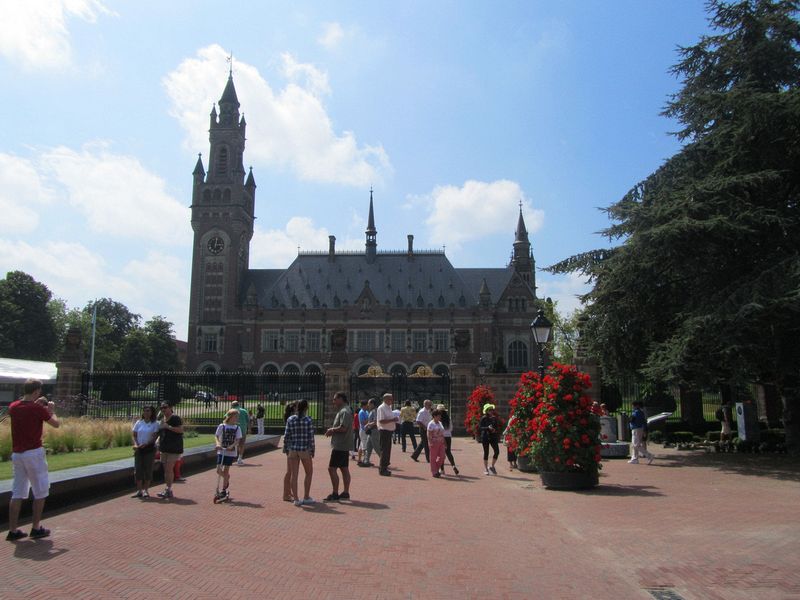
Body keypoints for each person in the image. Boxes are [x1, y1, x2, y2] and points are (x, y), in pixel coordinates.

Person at [6, 379, 60, 541]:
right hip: (34, 453)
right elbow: (55, 424)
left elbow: (25, 409)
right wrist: (51, 410)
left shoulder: (13, 407)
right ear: (36, 391)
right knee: (40, 490)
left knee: (17, 492)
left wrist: (35, 403)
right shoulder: (38, 409)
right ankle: (36, 527)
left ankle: (13, 530)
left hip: (18, 454)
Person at [284, 399, 316, 506]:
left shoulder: (290, 419)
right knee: (309, 472)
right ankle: (306, 496)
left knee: (294, 474)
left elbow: (286, 435)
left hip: (293, 449)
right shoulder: (308, 420)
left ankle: (296, 499)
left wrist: (286, 448)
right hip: (304, 449)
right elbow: (311, 437)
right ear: (306, 408)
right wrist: (312, 449)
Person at [324, 392, 353, 501]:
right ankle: (345, 492)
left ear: (341, 399)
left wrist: (332, 430)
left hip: (340, 445)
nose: (333, 401)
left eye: (335, 399)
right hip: (343, 444)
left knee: (331, 469)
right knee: (344, 469)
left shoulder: (344, 411)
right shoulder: (344, 410)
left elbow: (343, 428)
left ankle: (335, 493)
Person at [156, 403, 184, 499]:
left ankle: (169, 489)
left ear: (170, 408)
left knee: (168, 469)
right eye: (162, 408)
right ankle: (167, 489)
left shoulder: (175, 418)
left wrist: (168, 427)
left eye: (165, 407)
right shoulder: (161, 420)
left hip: (174, 448)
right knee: (166, 470)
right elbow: (160, 433)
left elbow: (180, 430)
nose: (163, 409)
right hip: (164, 447)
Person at [131, 405, 159, 498]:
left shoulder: (155, 423)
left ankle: (146, 490)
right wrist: (135, 444)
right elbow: (134, 435)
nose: (146, 413)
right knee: (138, 469)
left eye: (148, 411)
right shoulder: (139, 422)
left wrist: (146, 444)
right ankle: (139, 490)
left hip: (149, 449)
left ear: (152, 412)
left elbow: (154, 437)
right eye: (145, 411)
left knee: (148, 469)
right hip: (139, 449)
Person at [215, 409, 242, 501]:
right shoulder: (222, 426)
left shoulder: (237, 428)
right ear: (230, 416)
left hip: (230, 452)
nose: (236, 418)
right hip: (222, 451)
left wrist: (232, 446)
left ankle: (223, 490)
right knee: (218, 470)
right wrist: (218, 444)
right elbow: (217, 436)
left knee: (226, 470)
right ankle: (226, 477)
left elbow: (238, 440)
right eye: (235, 416)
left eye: (237, 417)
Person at [376, 393, 399, 476]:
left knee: (387, 450)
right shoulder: (381, 408)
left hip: (389, 431)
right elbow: (381, 420)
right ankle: (382, 469)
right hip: (384, 431)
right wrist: (393, 419)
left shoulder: (388, 408)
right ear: (385, 399)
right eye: (390, 399)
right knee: (384, 450)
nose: (392, 401)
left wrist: (394, 419)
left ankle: (385, 467)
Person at [628, 400, 654, 464]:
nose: (632, 407)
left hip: (637, 429)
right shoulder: (639, 412)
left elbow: (633, 420)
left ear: (637, 406)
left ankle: (649, 455)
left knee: (635, 445)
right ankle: (635, 459)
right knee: (635, 445)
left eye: (633, 405)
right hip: (637, 429)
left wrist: (631, 419)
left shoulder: (637, 412)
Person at [438, 404, 459, 475]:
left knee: (441, 453)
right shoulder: (448, 418)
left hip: (441, 437)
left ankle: (442, 469)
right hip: (448, 436)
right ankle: (453, 465)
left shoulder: (438, 419)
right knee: (448, 452)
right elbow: (451, 428)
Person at [479, 404, 500, 475]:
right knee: (486, 453)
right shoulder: (483, 418)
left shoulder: (494, 418)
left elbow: (497, 427)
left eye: (492, 410)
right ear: (486, 411)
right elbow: (480, 427)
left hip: (493, 437)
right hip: (485, 437)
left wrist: (494, 430)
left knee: (497, 451)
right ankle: (485, 468)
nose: (491, 411)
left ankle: (492, 466)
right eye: (489, 410)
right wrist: (487, 428)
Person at [282, 402, 296, 502]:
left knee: (290, 471)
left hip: (290, 446)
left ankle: (288, 491)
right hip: (291, 446)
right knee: (289, 471)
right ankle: (286, 494)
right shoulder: (292, 418)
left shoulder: (290, 418)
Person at [358, 399, 378, 467]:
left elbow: (375, 421)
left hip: (372, 431)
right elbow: (363, 421)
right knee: (367, 446)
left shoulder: (374, 411)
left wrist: (368, 424)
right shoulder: (366, 412)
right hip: (367, 431)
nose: (368, 405)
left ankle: (383, 460)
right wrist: (368, 424)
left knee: (375, 447)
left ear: (372, 404)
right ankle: (366, 461)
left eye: (369, 404)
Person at [427, 409, 447, 478]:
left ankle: (436, 468)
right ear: (434, 416)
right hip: (434, 442)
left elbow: (443, 433)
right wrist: (430, 442)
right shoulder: (431, 424)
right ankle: (434, 472)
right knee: (433, 458)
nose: (440, 417)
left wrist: (445, 443)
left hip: (441, 442)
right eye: (438, 416)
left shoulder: (440, 423)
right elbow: (429, 434)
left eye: (440, 416)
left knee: (442, 456)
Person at [231, 400, 249, 465]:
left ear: (232, 405)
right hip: (243, 429)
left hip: (233, 430)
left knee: (233, 443)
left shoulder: (231, 411)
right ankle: (240, 458)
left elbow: (225, 418)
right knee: (242, 444)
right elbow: (248, 421)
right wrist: (249, 429)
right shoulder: (244, 411)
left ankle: (231, 457)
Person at [356, 399, 369, 464]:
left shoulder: (366, 412)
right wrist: (369, 420)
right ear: (364, 405)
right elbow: (362, 422)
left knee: (361, 446)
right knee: (365, 446)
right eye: (367, 405)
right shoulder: (361, 412)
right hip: (363, 430)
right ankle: (365, 460)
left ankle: (359, 460)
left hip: (365, 430)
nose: (368, 406)